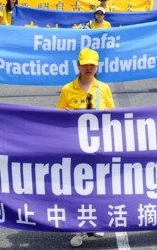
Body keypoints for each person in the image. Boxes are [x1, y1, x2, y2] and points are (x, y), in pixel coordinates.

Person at [56, 48, 114, 248]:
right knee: (78, 188)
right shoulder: (67, 89)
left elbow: (114, 117)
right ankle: (79, 228)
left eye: (92, 65)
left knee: (98, 187)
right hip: (75, 148)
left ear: (97, 66)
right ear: (78, 66)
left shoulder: (104, 88)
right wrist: (64, 114)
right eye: (85, 64)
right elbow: (57, 119)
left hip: (99, 147)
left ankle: (96, 222)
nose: (88, 68)